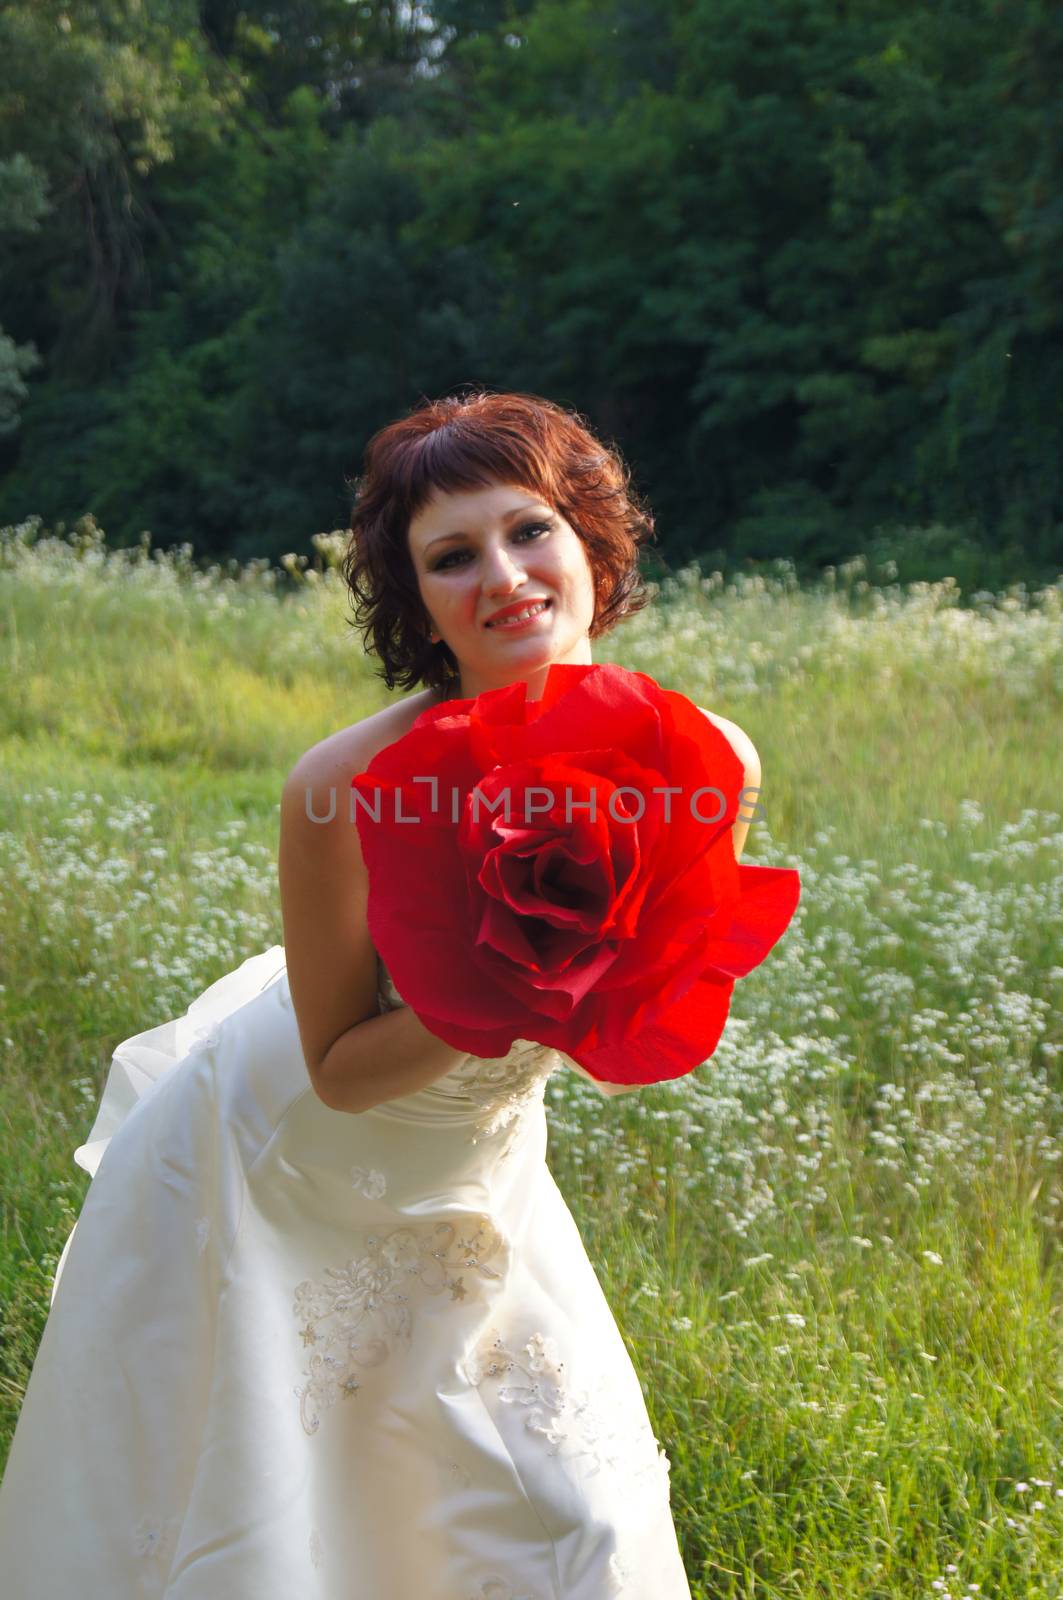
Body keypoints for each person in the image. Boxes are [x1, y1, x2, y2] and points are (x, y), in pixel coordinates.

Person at [0, 389, 759, 1597]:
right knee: (306, 1513)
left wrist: (603, 983)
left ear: (590, 543)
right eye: (451, 556)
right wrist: (514, 991)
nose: (503, 577)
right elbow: (338, 1070)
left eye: (529, 530)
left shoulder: (704, 758)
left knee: (585, 1520)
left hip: (480, 1166)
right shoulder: (339, 787)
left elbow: (658, 999)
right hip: (288, 1170)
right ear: (414, 599)